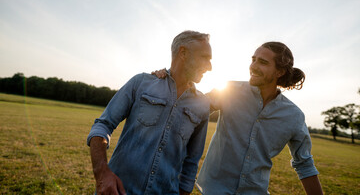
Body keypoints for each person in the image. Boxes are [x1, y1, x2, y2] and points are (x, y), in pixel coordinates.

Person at [153, 41, 323, 194]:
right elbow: (188, 105)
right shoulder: (230, 90)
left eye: (262, 62)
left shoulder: (294, 116)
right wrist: (168, 79)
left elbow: (305, 164)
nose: (253, 66)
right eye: (253, 59)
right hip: (214, 191)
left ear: (280, 71)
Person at [87, 30, 212, 195]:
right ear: (183, 53)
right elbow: (103, 125)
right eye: (205, 58)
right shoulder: (141, 83)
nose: (210, 67)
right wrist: (102, 173)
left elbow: (191, 163)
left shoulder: (202, 105)